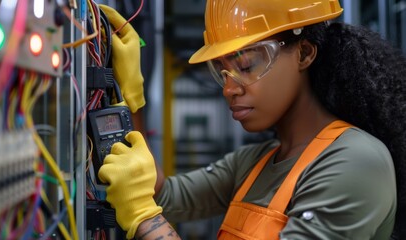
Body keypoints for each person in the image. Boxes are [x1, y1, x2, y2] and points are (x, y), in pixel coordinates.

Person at [98, 0, 406, 239]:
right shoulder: (254, 163)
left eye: (246, 65)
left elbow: (145, 202)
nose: (230, 89)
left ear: (304, 54)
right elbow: (158, 191)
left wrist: (144, 217)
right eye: (222, 72)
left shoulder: (355, 161)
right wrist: (130, 98)